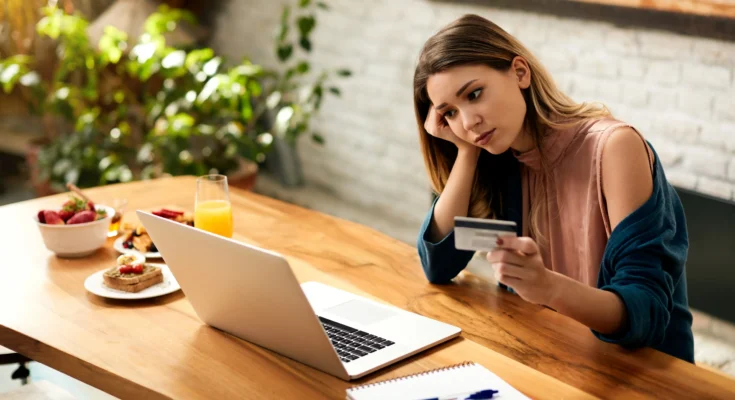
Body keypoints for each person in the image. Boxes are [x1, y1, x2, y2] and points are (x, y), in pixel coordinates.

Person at [414, 14, 693, 363]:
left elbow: (646, 313)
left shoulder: (614, 148)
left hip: (642, 376)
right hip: (550, 358)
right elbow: (438, 266)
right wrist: (467, 152)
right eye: (450, 113)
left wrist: (547, 286)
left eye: (474, 94)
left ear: (520, 72)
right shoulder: (499, 156)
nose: (468, 122)